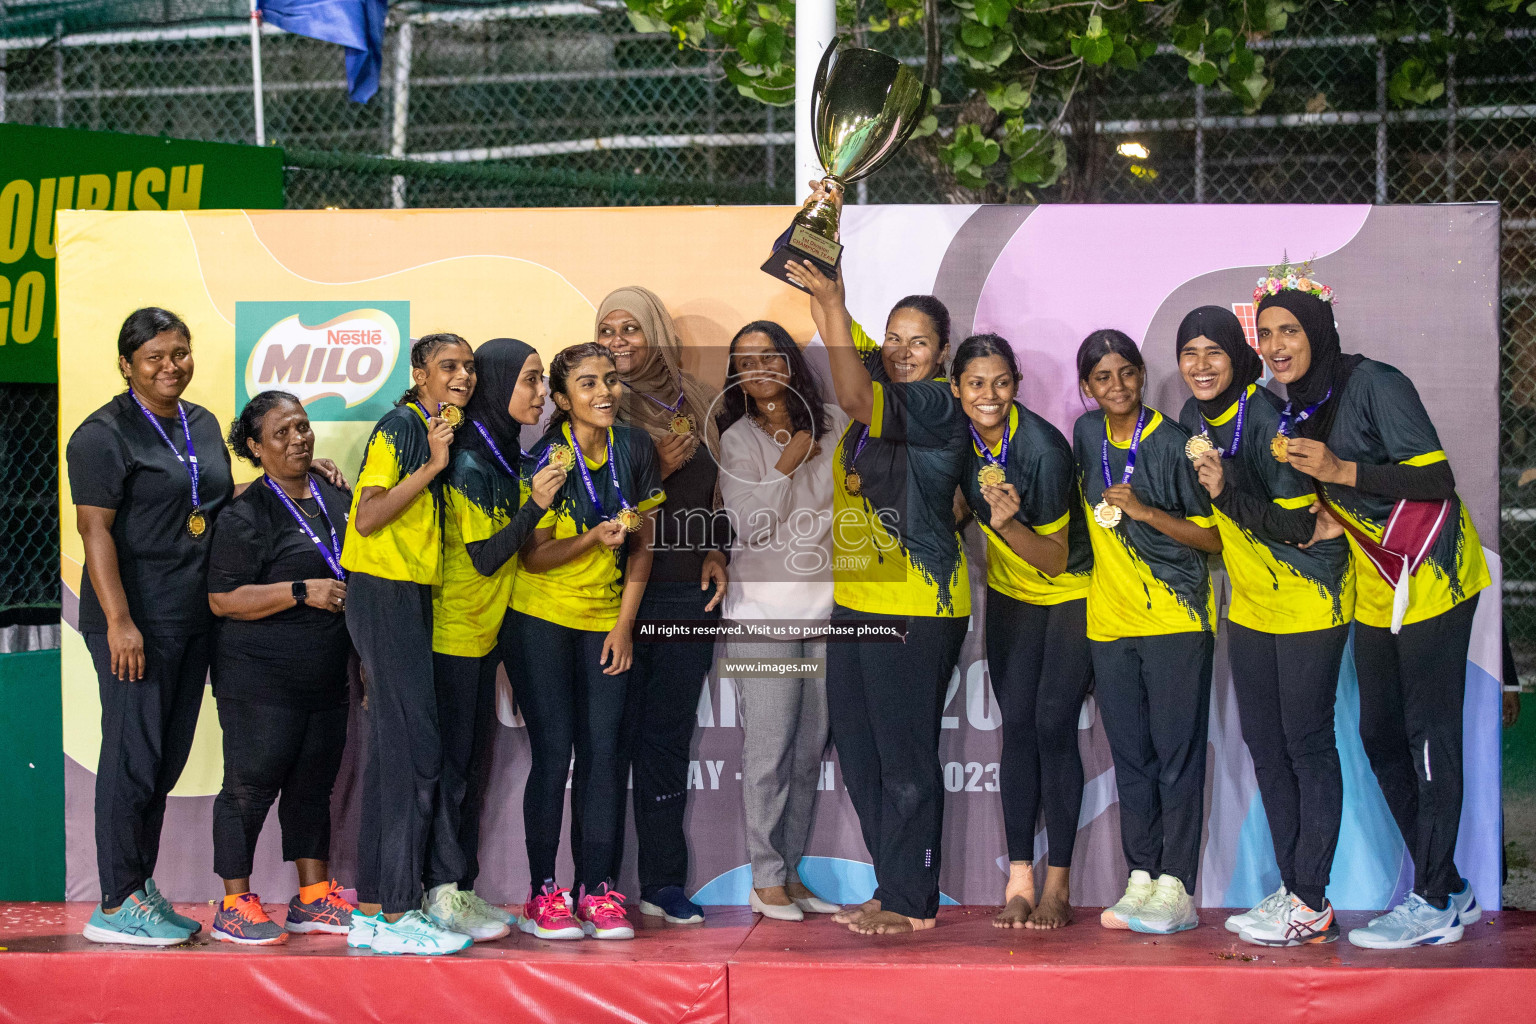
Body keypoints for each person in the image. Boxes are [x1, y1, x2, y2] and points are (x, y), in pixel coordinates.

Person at [1251, 269, 1490, 948]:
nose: (1275, 345)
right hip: (1376, 584)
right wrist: (1327, 514)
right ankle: (1448, 888)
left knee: (1427, 738)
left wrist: (1340, 473)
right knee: (1380, 736)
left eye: (1288, 330)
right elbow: (1342, 499)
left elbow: (1436, 478)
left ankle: (1436, 896)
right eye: (1266, 334)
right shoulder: (1294, 404)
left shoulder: (1375, 383)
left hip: (1434, 576)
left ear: (1318, 330)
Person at [786, 258, 970, 936]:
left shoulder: (935, 401)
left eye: (917, 341)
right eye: (893, 338)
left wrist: (834, 305)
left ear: (943, 352)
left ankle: (912, 901)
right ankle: (891, 882)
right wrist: (827, 281)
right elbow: (831, 321)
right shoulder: (882, 379)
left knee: (905, 758)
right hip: (857, 602)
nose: (900, 350)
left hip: (916, 608)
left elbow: (856, 395)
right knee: (861, 756)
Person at [1174, 306, 1354, 947]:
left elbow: (1302, 527)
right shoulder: (1193, 420)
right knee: (1267, 748)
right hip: (1249, 603)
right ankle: (1293, 889)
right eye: (1189, 351)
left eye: (1213, 351)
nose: (1200, 364)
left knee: (1306, 745)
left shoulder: (1269, 418)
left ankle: (1313, 897)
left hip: (1308, 597)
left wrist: (1224, 494)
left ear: (1237, 356)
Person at [68, 307, 235, 945]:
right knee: (133, 758)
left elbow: (206, 503)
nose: (171, 367)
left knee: (163, 762)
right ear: (127, 365)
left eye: (180, 353)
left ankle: (139, 887)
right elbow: (94, 530)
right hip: (135, 622)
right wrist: (118, 620)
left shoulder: (201, 423)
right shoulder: (102, 434)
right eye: (155, 358)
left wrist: (290, 485)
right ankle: (114, 900)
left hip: (193, 616)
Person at [510, 342, 664, 941]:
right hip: (540, 620)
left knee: (604, 757)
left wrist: (623, 624)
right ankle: (543, 893)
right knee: (555, 757)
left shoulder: (634, 447)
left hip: (606, 621)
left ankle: (596, 889)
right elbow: (534, 554)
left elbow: (643, 544)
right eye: (587, 384)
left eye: (610, 381)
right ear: (562, 397)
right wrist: (591, 540)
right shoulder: (546, 456)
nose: (604, 393)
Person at [1073, 329, 1221, 936]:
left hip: (1174, 621)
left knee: (1176, 757)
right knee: (1131, 757)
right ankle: (1142, 875)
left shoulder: (1175, 443)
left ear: (1141, 373)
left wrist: (1145, 513)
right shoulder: (1085, 435)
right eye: (1102, 377)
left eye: (1127, 373)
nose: (1117, 386)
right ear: (1086, 387)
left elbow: (1213, 539)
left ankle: (1177, 886)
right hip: (1109, 624)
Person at [420, 338, 565, 942]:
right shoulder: (472, 458)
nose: (541, 394)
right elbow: (483, 556)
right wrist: (535, 507)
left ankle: (462, 886)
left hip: (485, 635)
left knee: (471, 767)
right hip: (452, 633)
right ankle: (439, 891)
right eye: (530, 380)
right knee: (451, 768)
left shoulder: (503, 451)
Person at [593, 286, 728, 925]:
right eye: (607, 329)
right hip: (611, 598)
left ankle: (663, 883)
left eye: (630, 329)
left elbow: (720, 496)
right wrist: (657, 475)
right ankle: (596, 887)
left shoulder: (698, 402)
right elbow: (590, 509)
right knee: (606, 742)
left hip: (685, 593)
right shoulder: (599, 407)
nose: (618, 341)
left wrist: (718, 551)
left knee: (667, 741)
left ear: (656, 333)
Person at [949, 333, 1093, 930]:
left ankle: (1058, 888)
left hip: (1069, 592)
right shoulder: (956, 433)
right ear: (955, 387)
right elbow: (958, 507)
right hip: (1010, 593)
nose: (989, 396)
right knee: (1019, 731)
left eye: (1002, 383)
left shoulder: (1043, 450)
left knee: (1054, 726)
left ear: (1017, 384)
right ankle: (1020, 880)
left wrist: (1003, 526)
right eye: (976, 384)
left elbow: (1056, 558)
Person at [341, 333, 476, 956]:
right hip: (384, 590)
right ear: (419, 374)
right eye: (448, 366)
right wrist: (432, 468)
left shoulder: (433, 426)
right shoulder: (401, 427)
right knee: (406, 753)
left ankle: (386, 904)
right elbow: (367, 517)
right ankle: (385, 914)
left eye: (469, 367)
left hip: (411, 594)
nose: (463, 376)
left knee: (414, 750)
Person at [206, 390, 356, 945]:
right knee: (248, 787)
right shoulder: (246, 513)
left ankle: (313, 898)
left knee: (314, 785)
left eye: (303, 427)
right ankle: (234, 903)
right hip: (260, 679)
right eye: (282, 433)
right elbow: (222, 599)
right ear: (255, 447)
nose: (299, 439)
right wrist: (300, 590)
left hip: (326, 675)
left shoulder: (334, 497)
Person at [716, 319, 847, 921]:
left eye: (769, 356)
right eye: (744, 361)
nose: (758, 368)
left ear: (790, 362)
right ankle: (764, 878)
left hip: (828, 614)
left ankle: (790, 874)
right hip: (762, 620)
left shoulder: (836, 423)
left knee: (805, 754)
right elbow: (751, 526)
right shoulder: (738, 440)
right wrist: (787, 463)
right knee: (768, 751)